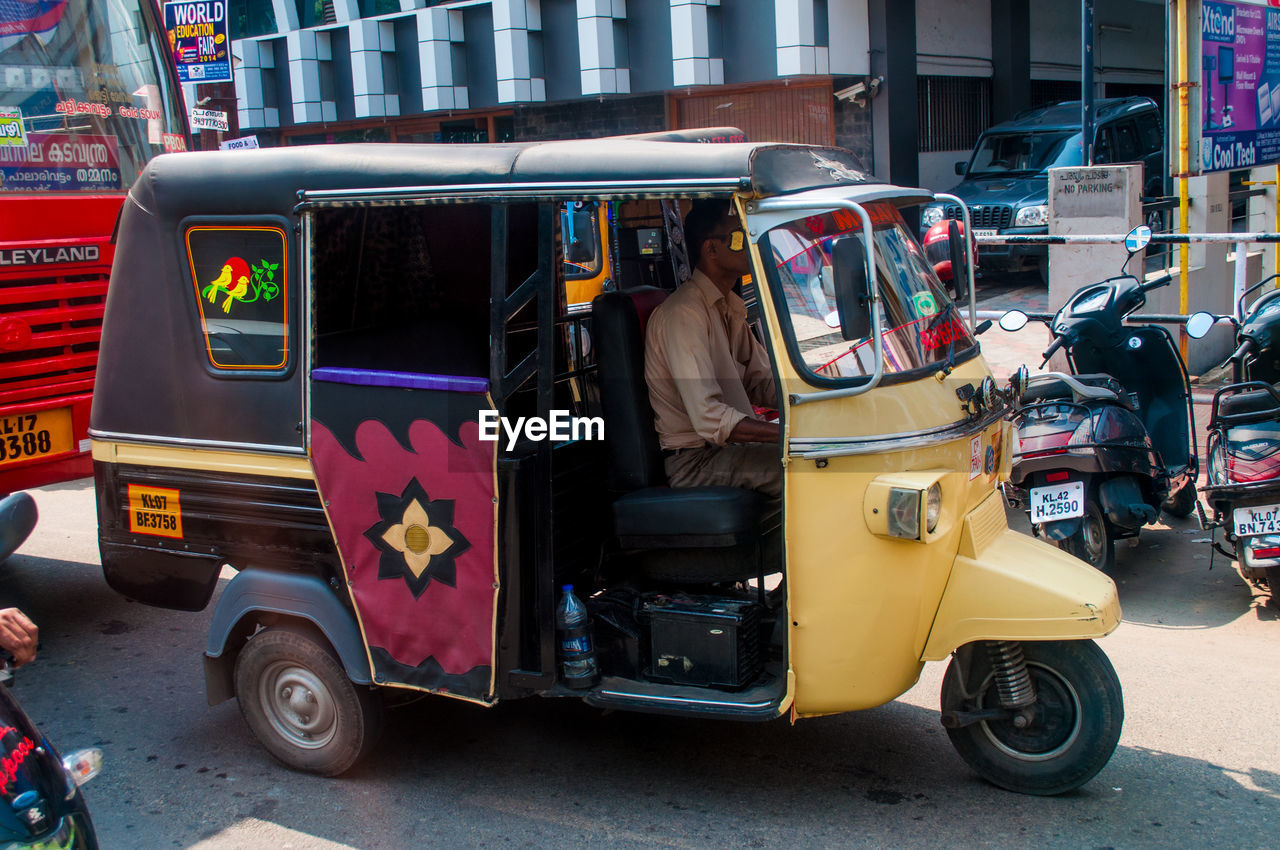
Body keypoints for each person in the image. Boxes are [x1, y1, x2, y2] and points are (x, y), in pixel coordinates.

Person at [644, 199, 781, 498]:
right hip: (696, 461)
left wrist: (819, 404)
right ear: (711, 249)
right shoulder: (684, 314)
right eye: (739, 238)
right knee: (806, 469)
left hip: (726, 451)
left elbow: (762, 381)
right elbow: (709, 418)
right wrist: (788, 435)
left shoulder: (726, 307)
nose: (749, 245)